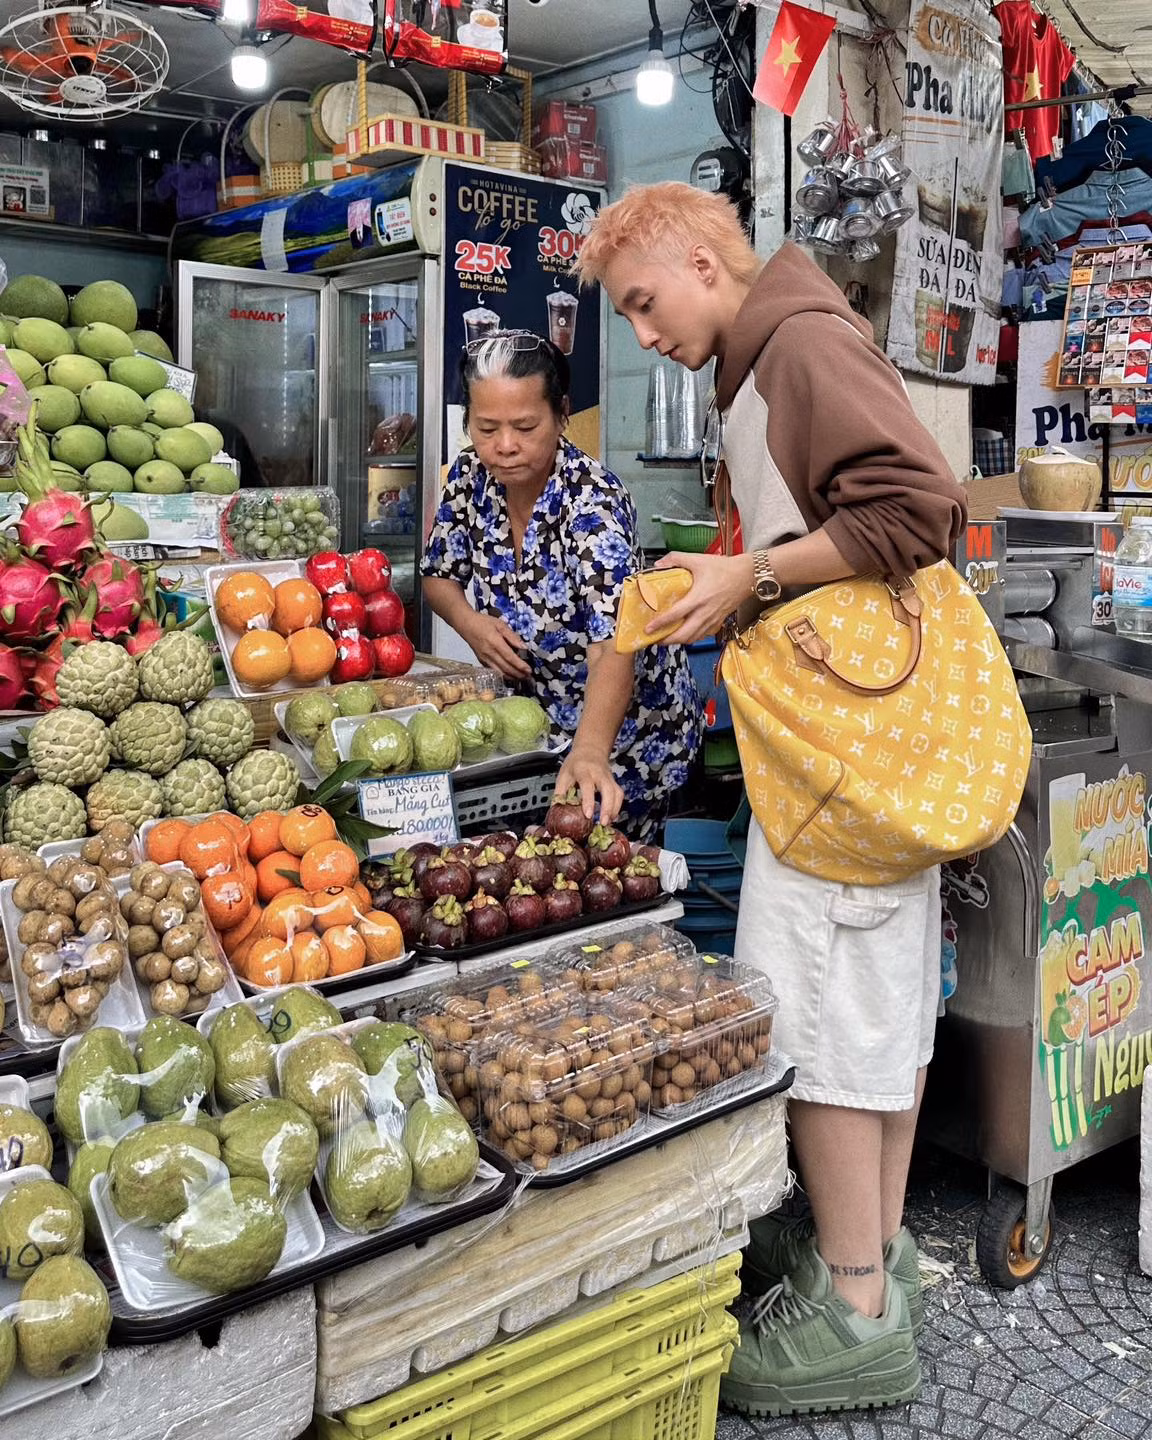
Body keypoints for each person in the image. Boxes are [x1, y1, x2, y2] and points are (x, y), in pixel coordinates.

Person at [575, 184, 967, 1418]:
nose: (643, 333)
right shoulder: (771, 353)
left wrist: (753, 569)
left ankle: (854, 1312)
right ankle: (877, 1252)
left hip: (848, 760)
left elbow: (921, 509)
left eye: (644, 303)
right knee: (878, 1001)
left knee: (823, 1016)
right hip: (858, 755)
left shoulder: (796, 342)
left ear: (703, 259)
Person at [420, 329, 702, 839]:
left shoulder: (590, 504)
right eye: (486, 428)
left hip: (626, 733)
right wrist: (473, 626)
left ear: (562, 414)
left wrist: (591, 751)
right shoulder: (468, 478)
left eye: (526, 426)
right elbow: (439, 575)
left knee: (607, 870)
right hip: (537, 728)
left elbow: (614, 645)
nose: (505, 446)